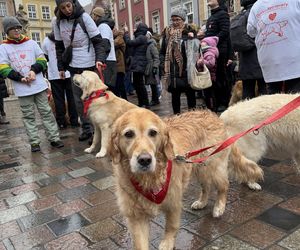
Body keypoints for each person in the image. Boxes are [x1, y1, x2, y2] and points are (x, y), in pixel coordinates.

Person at [0, 16, 64, 152]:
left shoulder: (31, 43)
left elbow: (42, 59)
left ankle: (54, 138)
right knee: (28, 116)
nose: (17, 30)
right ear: (7, 31)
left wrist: (34, 71)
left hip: (38, 85)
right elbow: (3, 68)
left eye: (18, 27)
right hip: (22, 89)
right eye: (13, 29)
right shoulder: (4, 47)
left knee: (46, 112)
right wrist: (19, 78)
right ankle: (34, 142)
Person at [54, 0, 107, 141]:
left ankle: (98, 131)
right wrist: (60, 67)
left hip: (89, 66)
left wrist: (100, 59)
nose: (67, 10)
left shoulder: (84, 17)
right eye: (63, 7)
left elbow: (98, 41)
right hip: (73, 66)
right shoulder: (57, 22)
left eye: (68, 6)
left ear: (73, 3)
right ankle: (86, 129)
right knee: (78, 100)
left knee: (94, 99)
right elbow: (59, 47)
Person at [247, 0, 300, 94]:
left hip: (270, 63)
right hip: (294, 61)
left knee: (273, 100)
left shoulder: (256, 6)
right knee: (294, 100)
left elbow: (251, 32)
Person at [160, 8, 196, 114]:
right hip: (172, 71)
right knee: (175, 97)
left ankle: (193, 118)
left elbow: (195, 50)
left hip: (187, 70)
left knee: (190, 96)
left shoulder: (189, 32)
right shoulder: (167, 34)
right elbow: (162, 51)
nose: (175, 22)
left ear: (183, 20)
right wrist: (163, 64)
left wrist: (190, 39)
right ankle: (177, 118)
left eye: (177, 19)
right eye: (173, 20)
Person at [42, 29, 79, 129]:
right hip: (67, 71)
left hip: (54, 74)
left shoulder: (46, 41)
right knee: (71, 98)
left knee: (58, 99)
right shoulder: (66, 38)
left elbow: (46, 57)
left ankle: (62, 122)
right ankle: (74, 120)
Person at [235, 0, 266, 100]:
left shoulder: (241, 15)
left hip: (245, 61)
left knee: (247, 92)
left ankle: (245, 114)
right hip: (259, 59)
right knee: (264, 91)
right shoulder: (258, 12)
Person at [205, 0, 231, 111]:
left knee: (221, 76)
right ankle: (215, 102)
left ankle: (224, 102)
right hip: (211, 50)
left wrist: (211, 40)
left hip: (220, 50)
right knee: (213, 78)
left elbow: (225, 32)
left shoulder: (223, 14)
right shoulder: (212, 16)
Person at [124, 22, 150, 108]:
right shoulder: (140, 37)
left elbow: (129, 43)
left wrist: (126, 33)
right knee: (137, 84)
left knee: (140, 84)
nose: (134, 29)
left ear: (140, 29)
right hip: (137, 63)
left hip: (139, 63)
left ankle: (145, 103)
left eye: (136, 27)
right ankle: (141, 102)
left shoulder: (142, 38)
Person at [91, 7, 117, 93]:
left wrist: (101, 60)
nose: (92, 17)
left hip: (107, 61)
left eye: (92, 15)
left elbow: (105, 45)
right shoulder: (102, 26)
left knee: (107, 89)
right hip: (107, 61)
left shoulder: (103, 26)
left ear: (96, 15)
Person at [196, 36, 219, 111]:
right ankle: (209, 107)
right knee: (206, 94)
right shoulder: (204, 52)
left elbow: (211, 64)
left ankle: (212, 108)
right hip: (207, 77)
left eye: (204, 42)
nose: (202, 43)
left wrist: (202, 62)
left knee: (210, 94)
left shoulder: (209, 53)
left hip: (210, 77)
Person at [145, 30, 160, 106]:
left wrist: (155, 67)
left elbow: (156, 57)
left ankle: (155, 99)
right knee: (151, 84)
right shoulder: (147, 45)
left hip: (152, 67)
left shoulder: (151, 45)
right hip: (148, 67)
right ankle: (154, 99)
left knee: (153, 84)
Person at [113, 27, 127, 100]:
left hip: (120, 66)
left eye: (113, 30)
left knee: (120, 85)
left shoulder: (119, 38)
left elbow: (114, 43)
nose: (112, 31)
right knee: (118, 85)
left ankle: (124, 100)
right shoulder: (116, 37)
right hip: (117, 66)